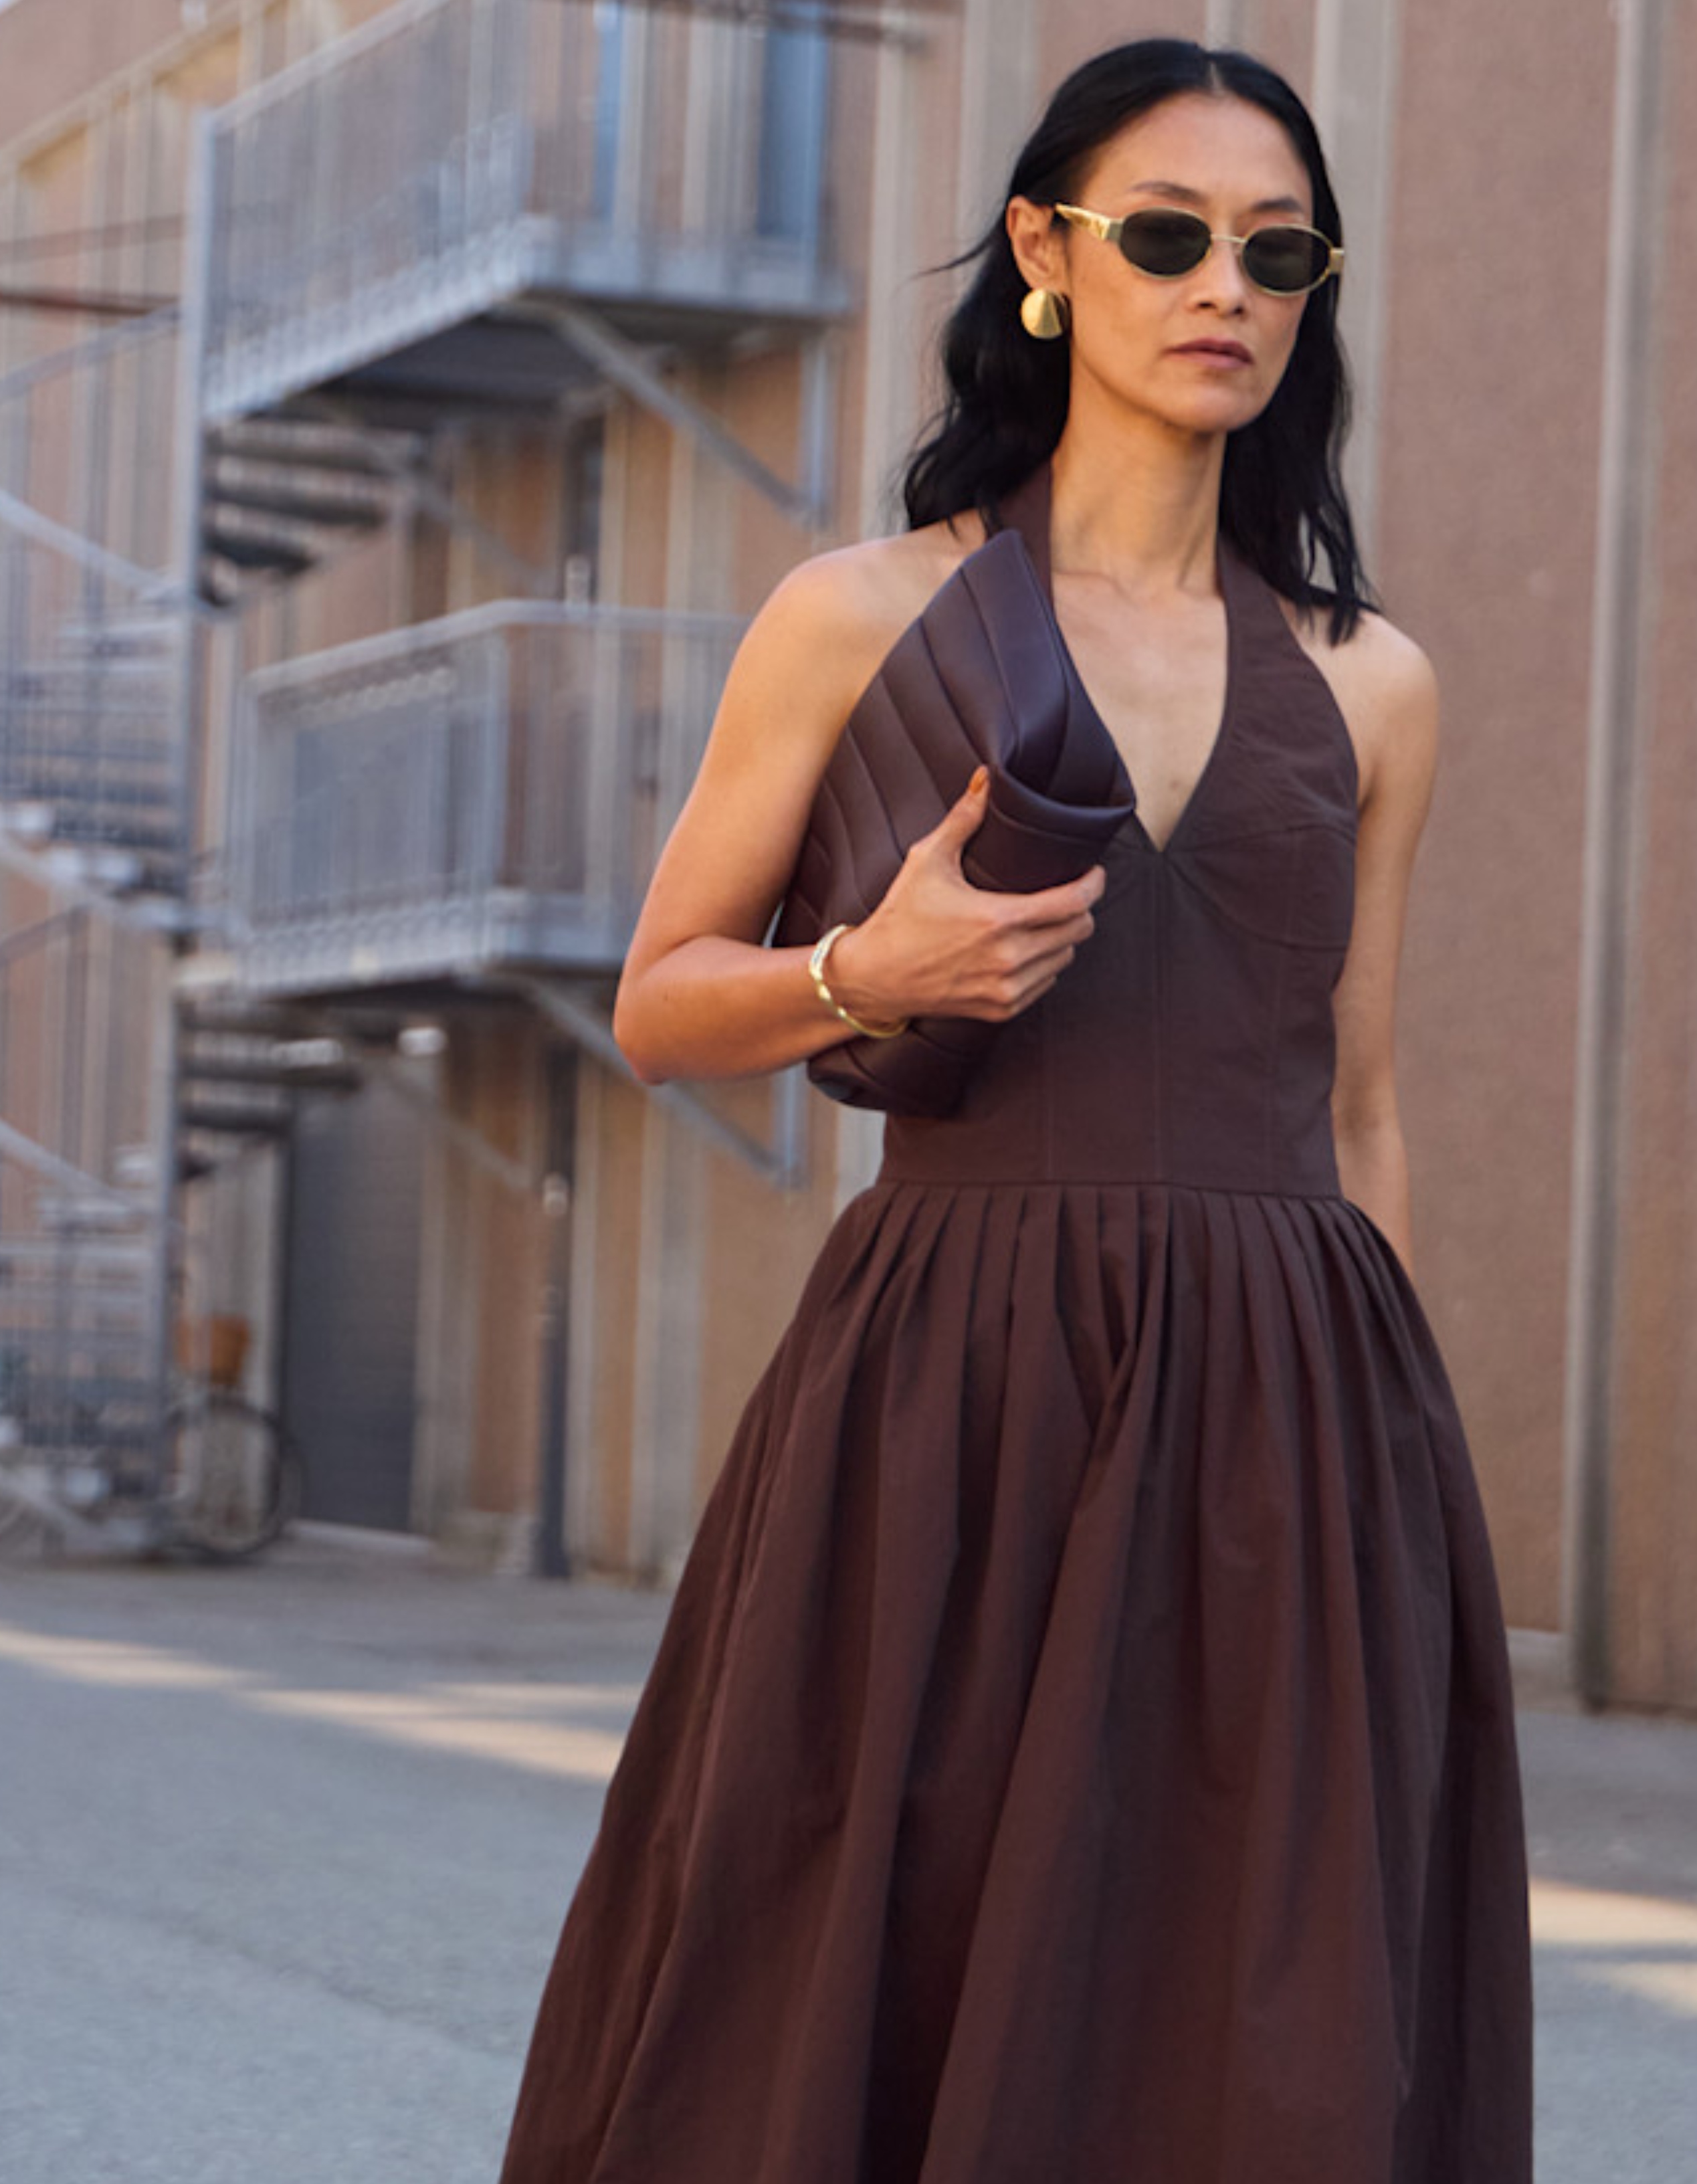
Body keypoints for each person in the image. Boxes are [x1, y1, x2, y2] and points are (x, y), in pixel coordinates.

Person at [497, 36, 1532, 2184]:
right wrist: (857, 976)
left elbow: (1355, 1097)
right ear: (1050, 258)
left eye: (1276, 251)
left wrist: (1394, 1490)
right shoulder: (856, 616)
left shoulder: (1372, 682)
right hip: (949, 1387)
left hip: (1280, 1403)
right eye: (1166, 236)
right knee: (872, 1951)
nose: (1221, 286)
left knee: (1252, 2004)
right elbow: (661, 1002)